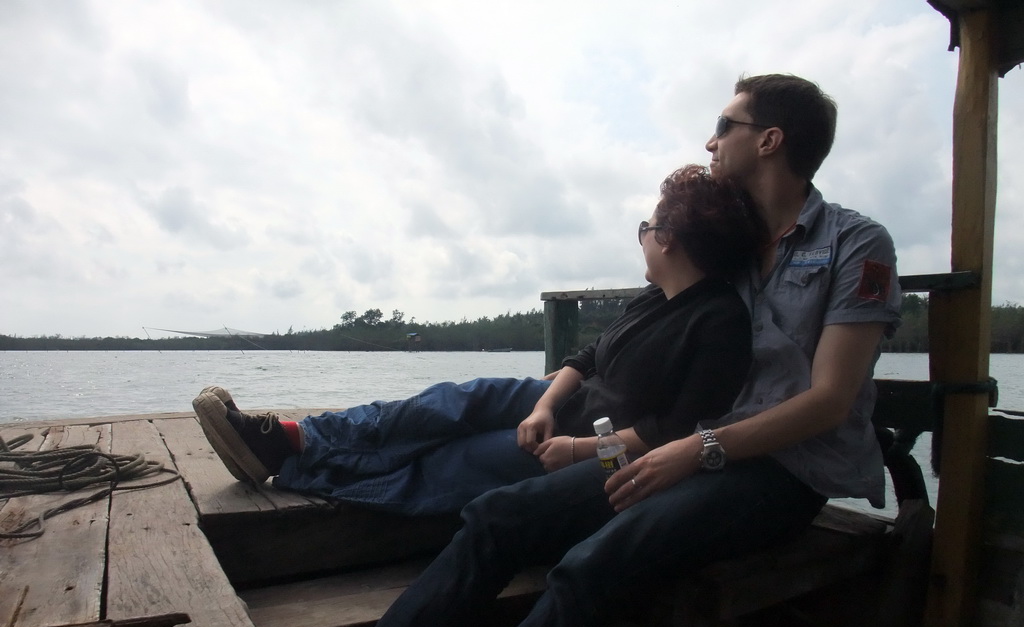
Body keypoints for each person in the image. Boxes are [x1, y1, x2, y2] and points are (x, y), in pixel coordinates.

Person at [263, 73, 902, 627]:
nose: (711, 141)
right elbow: (658, 331)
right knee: (499, 517)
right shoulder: (736, 246)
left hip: (777, 471)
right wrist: (614, 428)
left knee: (592, 569)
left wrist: (693, 449)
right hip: (688, 450)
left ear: (771, 140)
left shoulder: (856, 243)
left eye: (727, 126)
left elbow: (829, 401)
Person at [194, 164, 765, 516]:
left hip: (598, 452)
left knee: (453, 460)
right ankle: (295, 438)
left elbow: (675, 434)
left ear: (669, 241)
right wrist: (544, 402)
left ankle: (294, 470)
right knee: (452, 401)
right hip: (563, 408)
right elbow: (586, 357)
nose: (640, 238)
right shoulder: (657, 297)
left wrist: (579, 451)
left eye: (647, 228)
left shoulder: (717, 324)